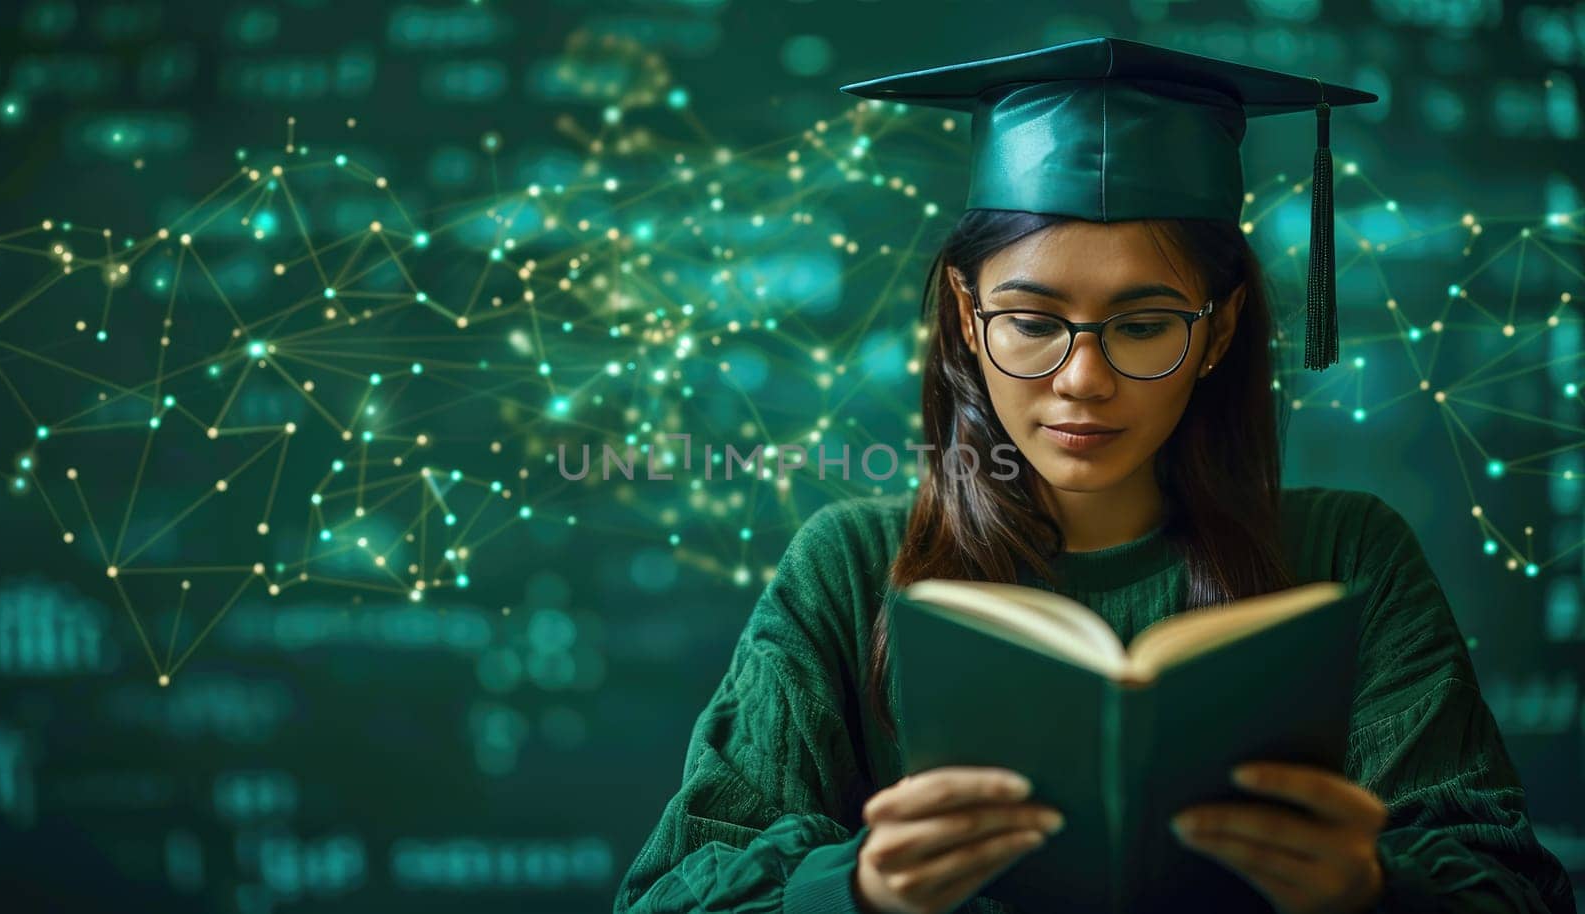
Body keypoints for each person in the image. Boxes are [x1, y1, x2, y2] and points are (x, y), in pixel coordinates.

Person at [612, 37, 1578, 914]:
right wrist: (855, 888)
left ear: (1220, 329)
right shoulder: (851, 567)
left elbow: (1512, 889)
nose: (1084, 381)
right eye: (1031, 322)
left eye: (1145, 325)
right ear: (963, 313)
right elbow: (669, 897)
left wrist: (1372, 892)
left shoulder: (1347, 557)